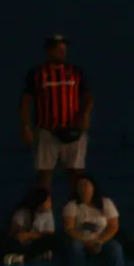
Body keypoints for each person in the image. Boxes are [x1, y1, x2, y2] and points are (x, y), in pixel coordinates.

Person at [20, 34, 93, 190]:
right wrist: (26, 126)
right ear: (49, 51)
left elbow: (87, 95)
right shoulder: (37, 73)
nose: (62, 52)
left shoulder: (75, 72)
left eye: (64, 49)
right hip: (47, 130)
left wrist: (86, 114)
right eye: (58, 49)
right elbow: (26, 100)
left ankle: (76, 204)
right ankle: (43, 204)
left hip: (73, 131)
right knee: (44, 174)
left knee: (76, 173)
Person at [60, 172, 123, 266]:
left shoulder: (106, 203)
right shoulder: (71, 205)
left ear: (93, 187)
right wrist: (84, 241)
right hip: (80, 239)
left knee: (115, 248)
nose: (83, 189)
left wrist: (100, 240)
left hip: (101, 240)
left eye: (86, 185)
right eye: (80, 186)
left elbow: (113, 226)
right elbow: (69, 228)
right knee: (74, 247)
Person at [0, 187, 58, 265]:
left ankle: (22, 258)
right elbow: (18, 235)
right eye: (48, 201)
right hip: (22, 245)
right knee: (5, 241)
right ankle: (32, 257)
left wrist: (32, 235)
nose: (50, 203)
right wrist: (30, 236)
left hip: (36, 243)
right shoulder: (23, 212)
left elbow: (49, 234)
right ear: (40, 203)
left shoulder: (48, 213)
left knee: (54, 240)